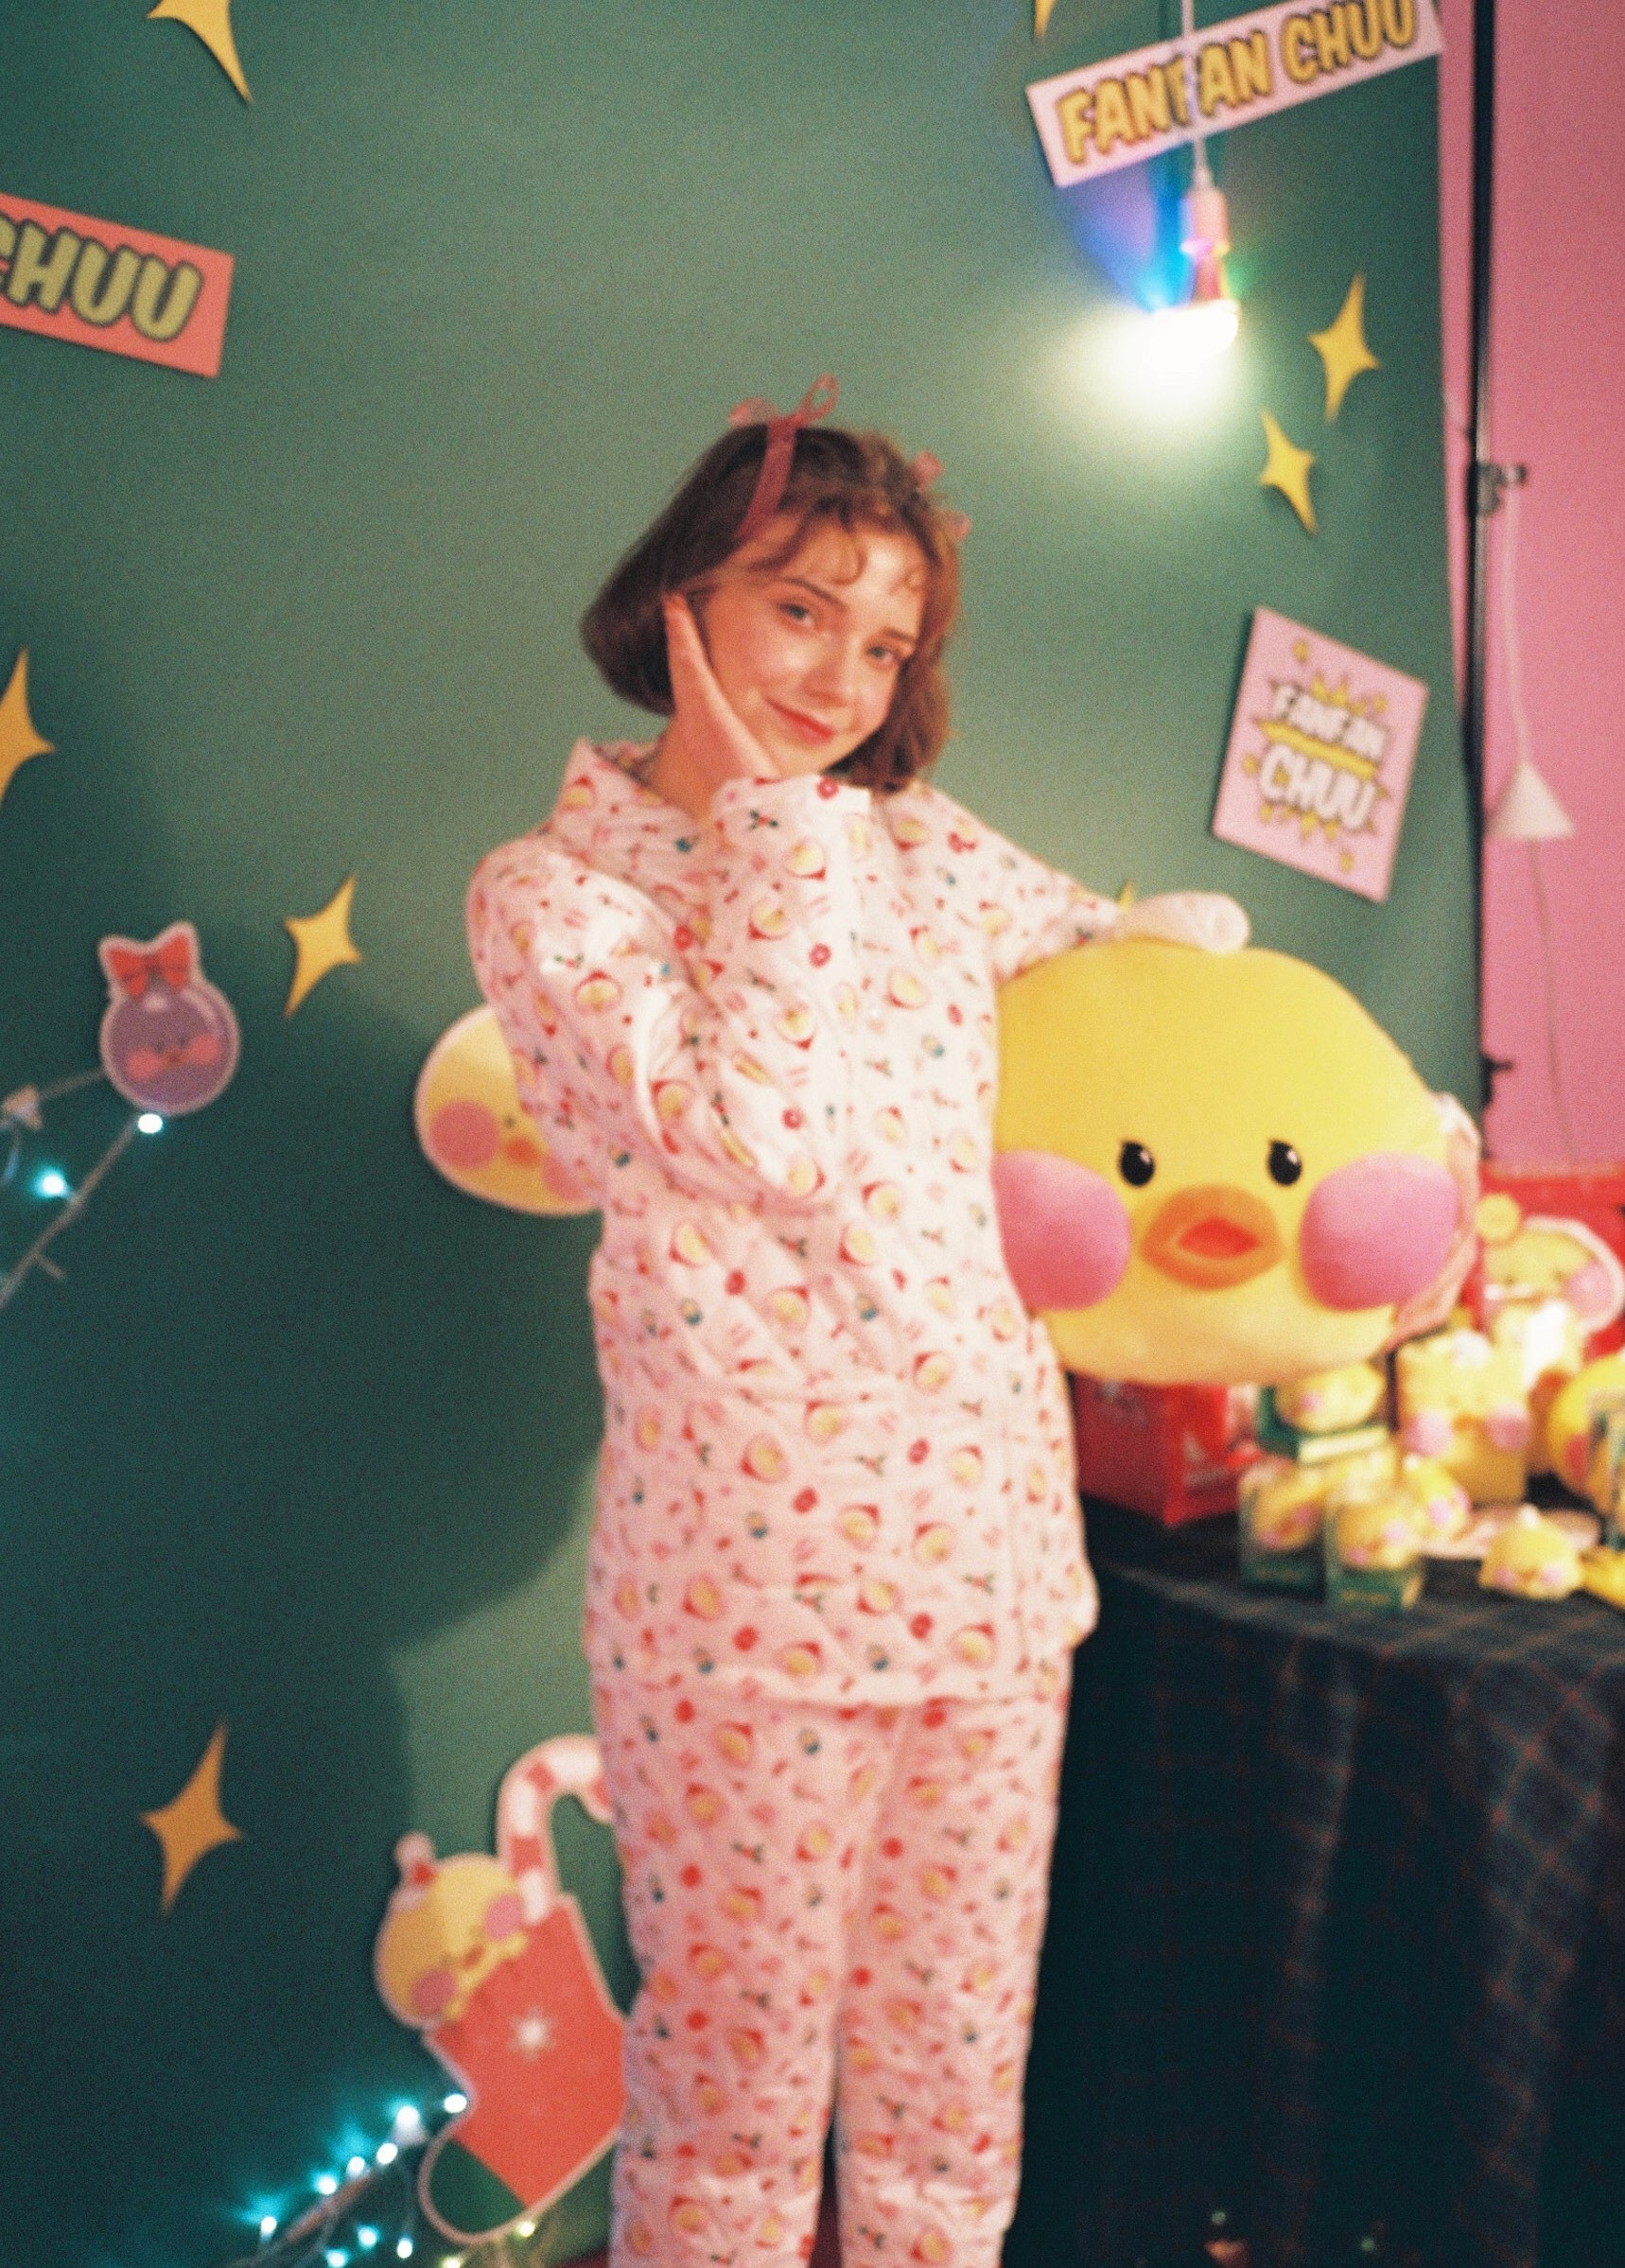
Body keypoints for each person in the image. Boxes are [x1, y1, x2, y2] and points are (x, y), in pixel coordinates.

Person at [467, 377, 1244, 2268]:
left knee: (950, 2115)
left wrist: (1230, 1010)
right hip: (750, 1606)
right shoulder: (553, 896)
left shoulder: (920, 845)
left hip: (992, 1574)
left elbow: (1111, 964)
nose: (840, 674)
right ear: (683, 598)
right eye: (799, 608)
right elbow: (761, 1130)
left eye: (884, 641)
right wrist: (775, 831)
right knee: (732, 2128)